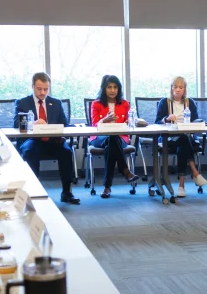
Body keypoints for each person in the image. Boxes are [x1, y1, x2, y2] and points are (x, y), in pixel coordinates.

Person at [13, 73, 80, 205]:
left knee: (66, 152)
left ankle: (67, 192)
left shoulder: (55, 103)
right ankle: (32, 191)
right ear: (32, 86)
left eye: (45, 89)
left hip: (53, 140)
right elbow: (16, 124)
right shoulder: (22, 102)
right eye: (39, 89)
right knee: (29, 151)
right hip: (32, 140)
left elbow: (64, 124)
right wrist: (33, 123)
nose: (42, 92)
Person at [154, 76, 207, 197]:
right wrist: (166, 119)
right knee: (184, 141)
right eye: (175, 87)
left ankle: (182, 184)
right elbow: (157, 122)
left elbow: (196, 121)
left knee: (183, 142)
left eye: (181, 87)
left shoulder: (190, 103)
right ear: (171, 88)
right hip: (168, 139)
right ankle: (193, 174)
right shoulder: (165, 102)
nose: (178, 90)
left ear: (185, 89)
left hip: (186, 138)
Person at [90, 75, 139, 199]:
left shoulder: (125, 104)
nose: (112, 90)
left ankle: (107, 186)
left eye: (115, 87)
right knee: (111, 140)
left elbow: (130, 121)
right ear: (104, 89)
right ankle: (125, 171)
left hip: (120, 138)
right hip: (99, 137)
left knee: (112, 143)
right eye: (109, 87)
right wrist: (105, 119)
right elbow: (94, 124)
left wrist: (130, 122)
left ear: (119, 89)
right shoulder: (96, 104)